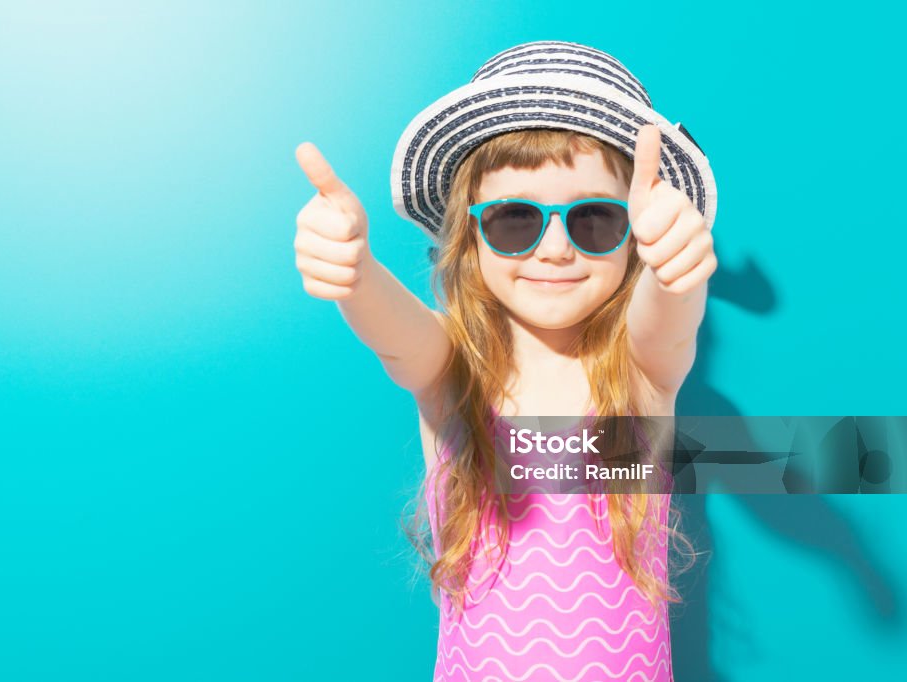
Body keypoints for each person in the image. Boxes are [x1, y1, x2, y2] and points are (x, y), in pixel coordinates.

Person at [294, 40, 716, 682]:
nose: (553, 250)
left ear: (632, 241)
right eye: (516, 220)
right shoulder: (453, 373)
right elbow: (397, 334)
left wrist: (676, 270)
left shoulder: (639, 374)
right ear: (470, 237)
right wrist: (357, 277)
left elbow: (669, 322)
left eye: (595, 221)